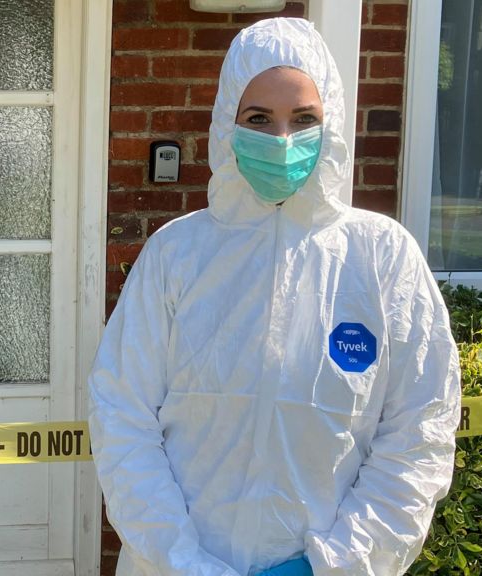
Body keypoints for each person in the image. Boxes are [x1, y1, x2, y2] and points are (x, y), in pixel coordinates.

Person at [87, 18, 461, 576]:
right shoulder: (178, 255)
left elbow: (419, 435)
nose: (283, 141)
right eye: (258, 119)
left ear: (329, 123)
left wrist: (328, 567)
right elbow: (123, 418)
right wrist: (185, 562)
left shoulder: (383, 260)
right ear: (226, 125)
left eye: (304, 119)